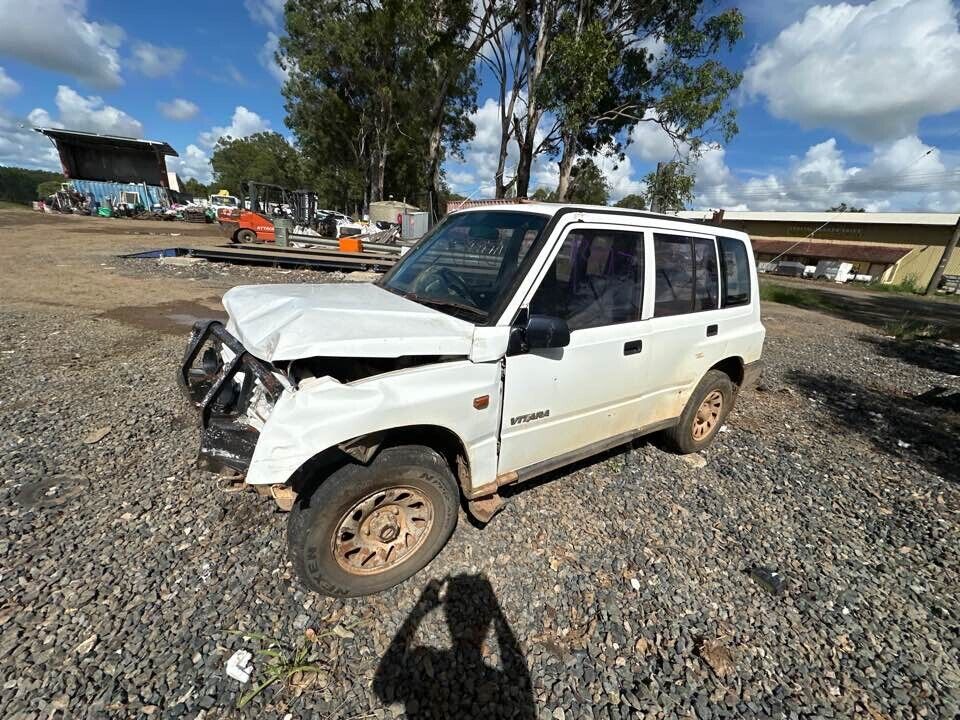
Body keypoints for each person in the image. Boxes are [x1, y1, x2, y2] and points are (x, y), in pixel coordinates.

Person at [373, 575, 535, 719]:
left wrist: (418, 612)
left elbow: (383, 686)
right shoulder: (498, 684)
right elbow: (519, 677)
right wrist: (497, 614)